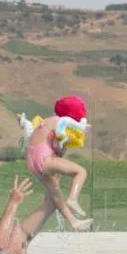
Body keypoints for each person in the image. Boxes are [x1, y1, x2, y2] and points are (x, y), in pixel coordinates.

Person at [22, 95, 92, 231]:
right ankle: (73, 198)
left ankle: (74, 222)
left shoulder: (46, 121)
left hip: (32, 163)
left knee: (55, 194)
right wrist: (66, 144)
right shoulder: (61, 122)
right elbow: (58, 149)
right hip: (44, 159)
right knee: (80, 172)